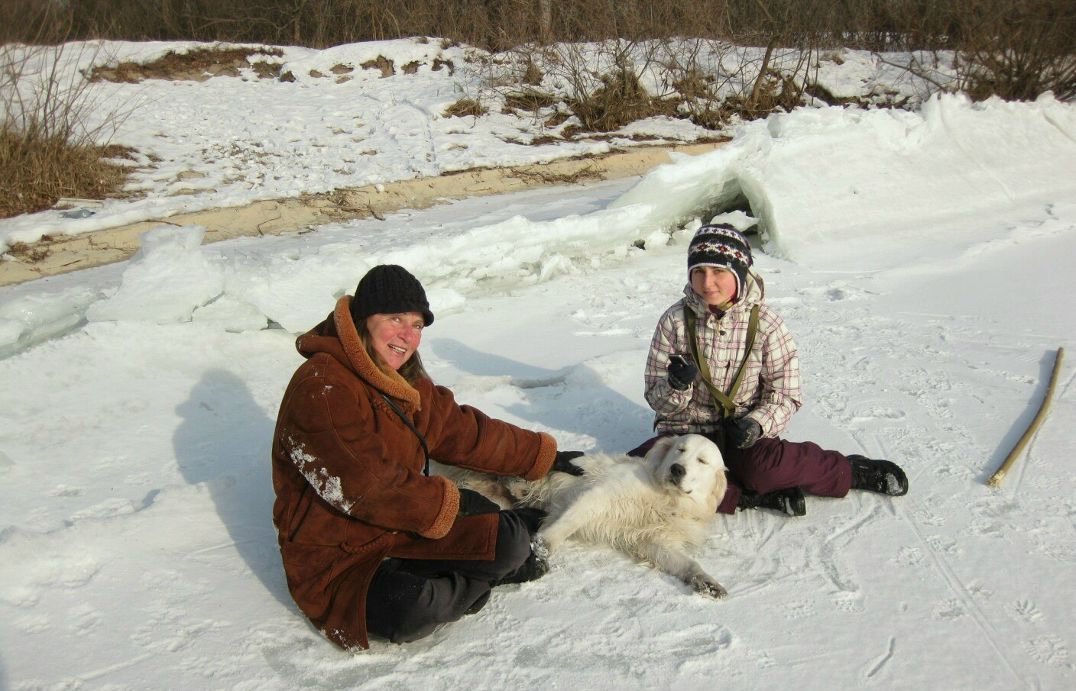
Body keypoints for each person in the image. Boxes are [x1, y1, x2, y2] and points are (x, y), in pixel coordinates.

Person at [272, 264, 583, 650]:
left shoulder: (402, 381)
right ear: (364, 319)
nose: (407, 335)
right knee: (411, 610)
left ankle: (459, 573)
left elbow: (463, 432)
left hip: (403, 530)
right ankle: (465, 585)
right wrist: (452, 504)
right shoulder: (322, 386)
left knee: (510, 542)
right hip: (340, 559)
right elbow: (367, 486)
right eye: (396, 318)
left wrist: (541, 455)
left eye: (417, 325)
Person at [630, 223, 908, 517]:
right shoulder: (674, 321)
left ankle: (849, 471)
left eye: (718, 272)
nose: (707, 282)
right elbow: (655, 396)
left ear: (739, 272)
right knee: (642, 469)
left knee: (767, 468)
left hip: (743, 433)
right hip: (687, 433)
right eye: (699, 272)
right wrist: (676, 386)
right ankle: (756, 498)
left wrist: (757, 425)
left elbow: (786, 393)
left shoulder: (767, 324)